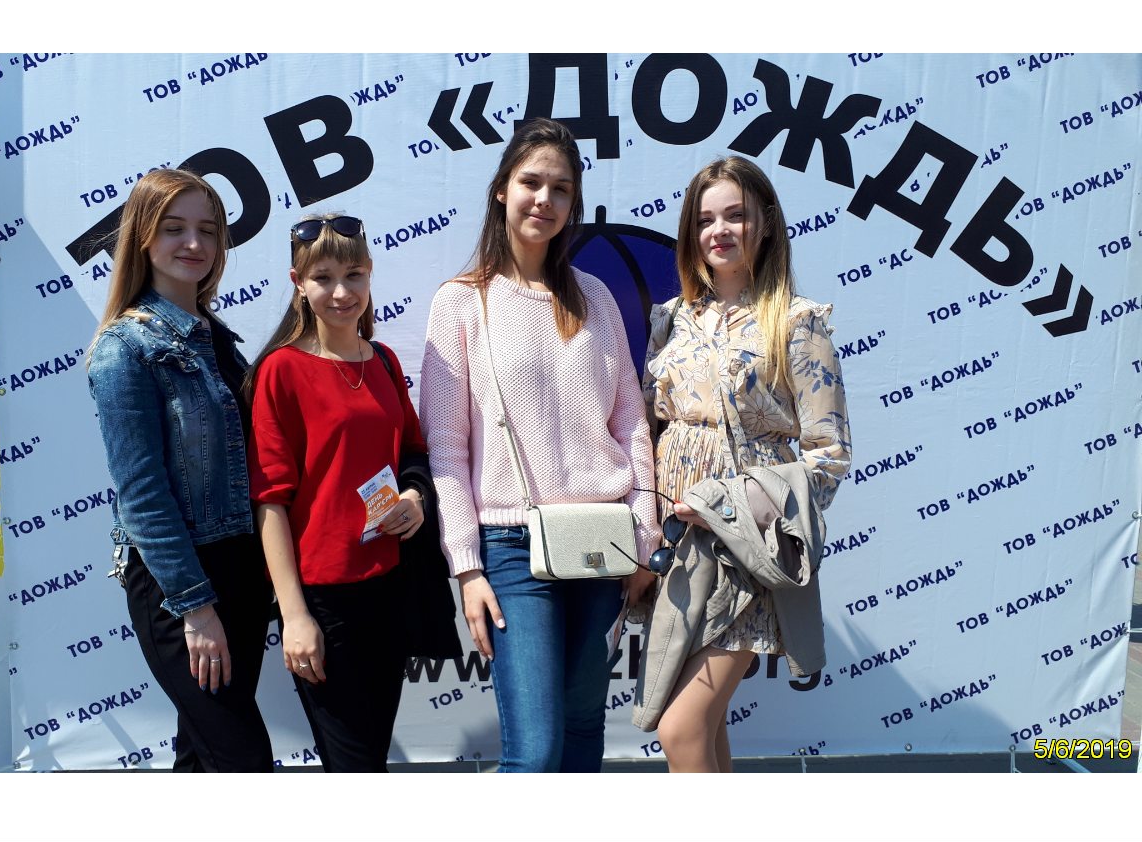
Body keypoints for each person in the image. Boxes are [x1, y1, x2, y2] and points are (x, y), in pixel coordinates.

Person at [418, 117, 661, 773]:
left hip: (603, 541)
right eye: (531, 182)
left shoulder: (596, 297)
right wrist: (466, 567)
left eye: (561, 188)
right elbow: (447, 449)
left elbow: (630, 423)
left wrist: (644, 537)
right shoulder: (461, 303)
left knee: (583, 732)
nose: (544, 199)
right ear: (501, 189)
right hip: (509, 546)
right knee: (535, 749)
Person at [636, 155, 852, 772]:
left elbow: (829, 456)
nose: (719, 230)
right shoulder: (671, 320)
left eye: (736, 215)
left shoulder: (798, 322)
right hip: (678, 546)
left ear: (766, 222)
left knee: (680, 728)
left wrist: (737, 508)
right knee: (704, 727)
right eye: (705, 219)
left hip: (748, 549)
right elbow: (649, 425)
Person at [85, 168, 273, 772]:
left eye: (208, 230)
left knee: (202, 754)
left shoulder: (216, 338)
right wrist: (195, 607)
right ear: (142, 237)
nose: (194, 243)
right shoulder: (125, 349)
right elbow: (142, 495)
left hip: (240, 569)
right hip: (178, 584)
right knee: (242, 760)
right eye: (174, 229)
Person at [246, 214, 427, 772]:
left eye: (353, 275)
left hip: (389, 588)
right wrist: (295, 615)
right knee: (354, 765)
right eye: (323, 278)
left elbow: (413, 452)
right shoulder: (281, 370)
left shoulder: (384, 360)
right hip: (324, 601)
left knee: (370, 757)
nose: (342, 292)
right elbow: (269, 501)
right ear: (298, 283)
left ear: (370, 274)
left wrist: (415, 498)